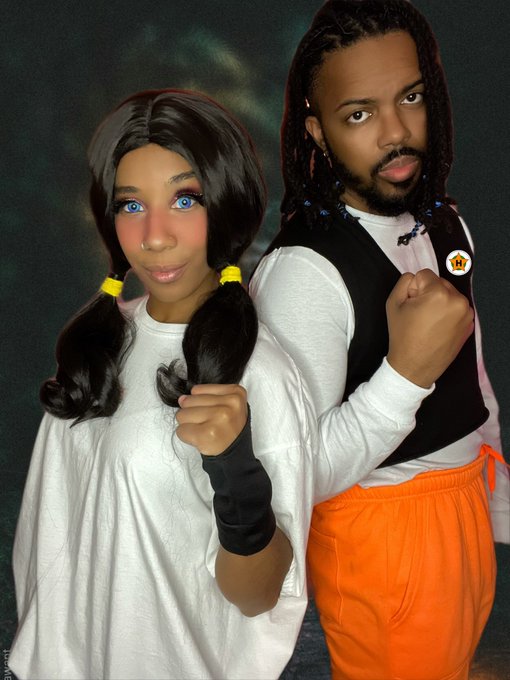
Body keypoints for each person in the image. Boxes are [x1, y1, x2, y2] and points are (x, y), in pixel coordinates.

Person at [9, 89, 319, 679]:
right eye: (131, 205)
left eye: (184, 199)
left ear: (226, 201)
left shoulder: (259, 372)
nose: (154, 236)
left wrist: (235, 470)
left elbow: (259, 597)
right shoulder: (100, 341)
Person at [250, 1, 509, 678]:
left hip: (465, 510)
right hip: (382, 540)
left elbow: (472, 374)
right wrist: (404, 374)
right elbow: (295, 473)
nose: (397, 133)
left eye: (411, 98)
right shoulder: (304, 271)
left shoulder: (444, 224)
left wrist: (496, 500)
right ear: (317, 130)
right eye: (360, 114)